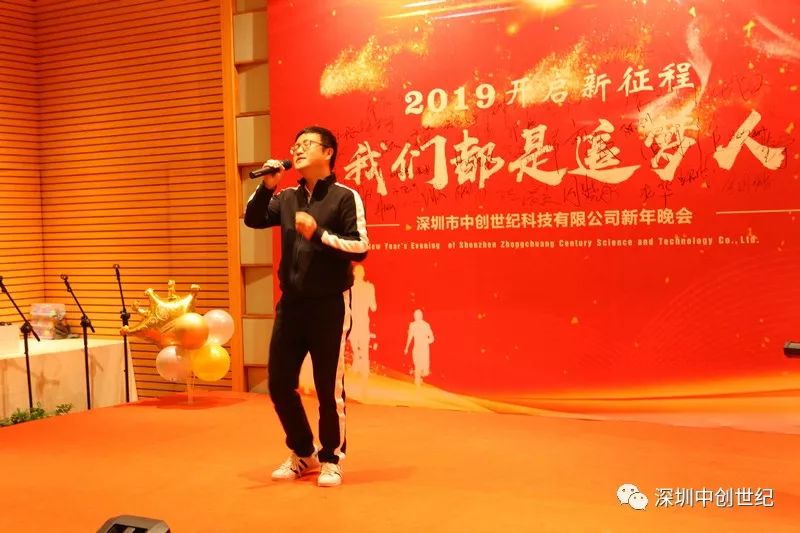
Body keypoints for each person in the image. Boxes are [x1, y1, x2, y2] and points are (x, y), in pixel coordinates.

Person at [244, 125, 368, 487]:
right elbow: (253, 218)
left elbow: (360, 246)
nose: (297, 150)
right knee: (279, 383)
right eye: (295, 145)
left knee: (328, 388)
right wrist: (267, 186)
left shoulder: (345, 197)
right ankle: (303, 452)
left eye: (306, 144)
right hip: (292, 304)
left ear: (328, 153)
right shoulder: (286, 197)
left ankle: (331, 458)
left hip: (329, 304)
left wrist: (319, 233)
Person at [404, 309, 434, 387]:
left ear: (421, 316)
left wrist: (426, 341)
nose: (415, 317)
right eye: (414, 315)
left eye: (417, 315)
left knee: (425, 372)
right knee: (417, 366)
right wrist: (406, 347)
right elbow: (410, 337)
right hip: (416, 349)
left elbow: (432, 338)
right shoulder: (412, 325)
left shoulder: (426, 325)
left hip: (424, 350)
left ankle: (420, 375)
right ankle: (417, 383)